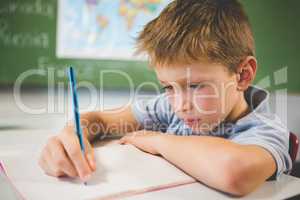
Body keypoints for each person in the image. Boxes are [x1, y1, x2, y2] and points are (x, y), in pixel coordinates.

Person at [39, 0, 292, 196]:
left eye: (194, 85)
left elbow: (234, 172)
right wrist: (73, 135)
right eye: (168, 87)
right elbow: (101, 120)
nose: (180, 105)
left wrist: (158, 140)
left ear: (242, 75)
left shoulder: (265, 129)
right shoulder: (173, 109)